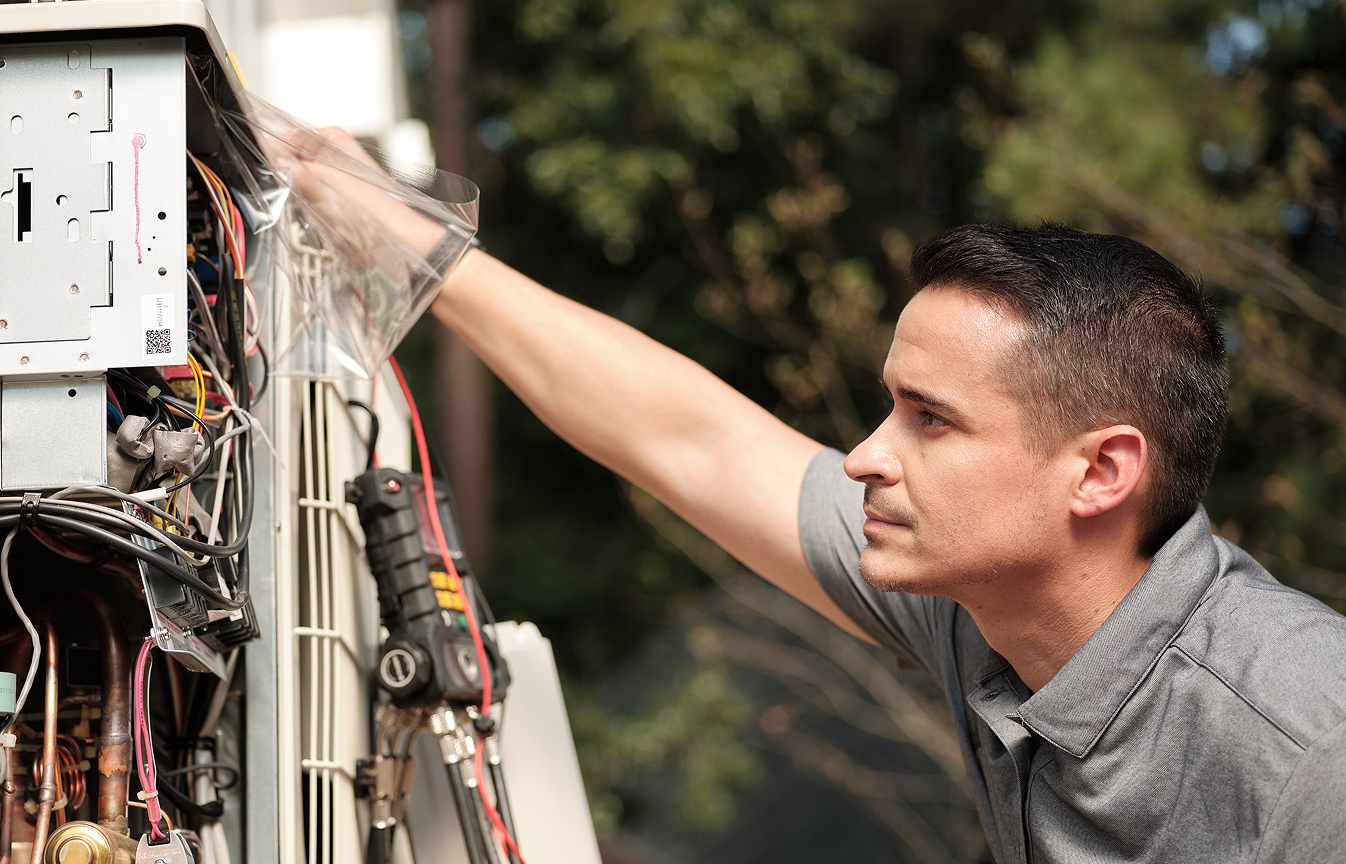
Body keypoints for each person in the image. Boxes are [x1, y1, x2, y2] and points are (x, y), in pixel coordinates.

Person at [284, 131, 1346, 863]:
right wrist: (408, 234)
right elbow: (691, 441)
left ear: (1101, 474)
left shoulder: (1306, 746)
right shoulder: (982, 604)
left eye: (932, 420)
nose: (863, 459)